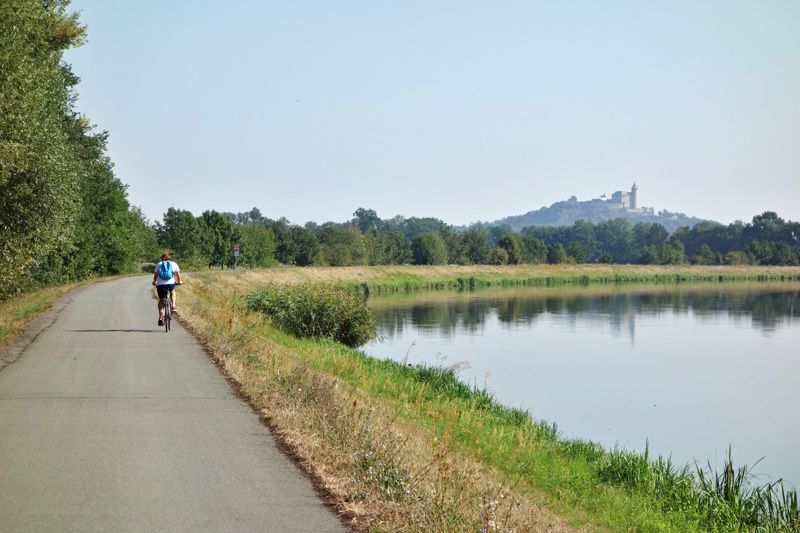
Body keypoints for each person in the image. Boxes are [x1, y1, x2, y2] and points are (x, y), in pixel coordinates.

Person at [152, 253, 182, 326]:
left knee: (161, 300)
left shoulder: (158, 264)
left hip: (160, 284)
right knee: (172, 291)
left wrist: (154, 282)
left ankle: (161, 317)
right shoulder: (174, 264)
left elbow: (155, 275)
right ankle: (173, 306)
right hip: (170, 283)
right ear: (169, 258)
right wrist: (179, 281)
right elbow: (178, 275)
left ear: (162, 258)